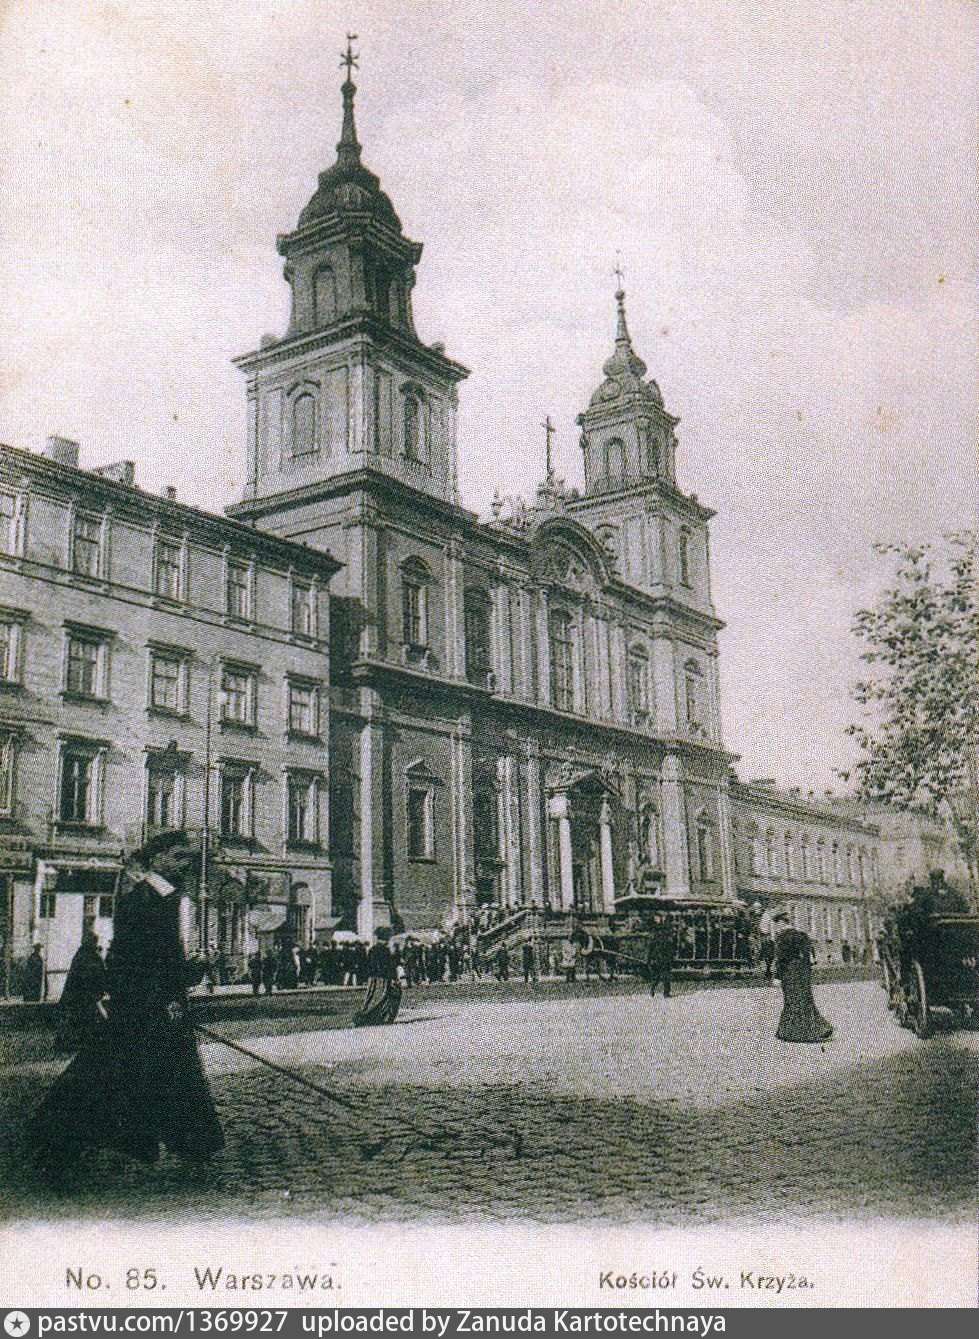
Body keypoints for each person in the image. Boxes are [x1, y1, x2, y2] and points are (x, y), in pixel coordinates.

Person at [27, 832, 224, 1181]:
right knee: (114, 1077)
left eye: (188, 858)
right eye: (179, 856)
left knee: (161, 1075)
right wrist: (171, 992)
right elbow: (136, 963)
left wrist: (189, 972)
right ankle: (57, 1143)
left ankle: (194, 1145)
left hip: (151, 1007)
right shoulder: (142, 901)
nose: (186, 864)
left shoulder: (164, 899)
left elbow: (162, 961)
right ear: (157, 858)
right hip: (143, 1011)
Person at [772, 910, 833, 1043]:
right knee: (806, 1000)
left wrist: (777, 976)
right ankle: (820, 1028)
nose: (776, 928)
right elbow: (809, 957)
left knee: (792, 1001)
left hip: (790, 973)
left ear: (782, 923)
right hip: (803, 972)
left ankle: (796, 1033)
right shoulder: (802, 936)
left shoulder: (783, 938)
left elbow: (782, 958)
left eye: (777, 925)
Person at [54, 930, 106, 1052]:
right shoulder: (90, 956)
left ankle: (72, 1041)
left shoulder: (83, 955)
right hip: (83, 994)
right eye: (93, 941)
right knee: (83, 1017)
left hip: (81, 994)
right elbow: (99, 974)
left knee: (81, 1018)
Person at [352, 928, 402, 1026]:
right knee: (382, 998)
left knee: (372, 997)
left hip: (373, 977)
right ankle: (376, 1016)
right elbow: (389, 965)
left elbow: (368, 964)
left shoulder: (373, 949)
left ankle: (366, 1016)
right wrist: (394, 977)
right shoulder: (385, 950)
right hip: (383, 978)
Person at [645, 912, 675, 998]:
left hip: (657, 958)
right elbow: (670, 948)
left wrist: (648, 959)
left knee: (657, 976)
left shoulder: (654, 936)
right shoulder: (665, 937)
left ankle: (652, 990)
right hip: (663, 957)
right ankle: (665, 993)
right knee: (665, 976)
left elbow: (650, 948)